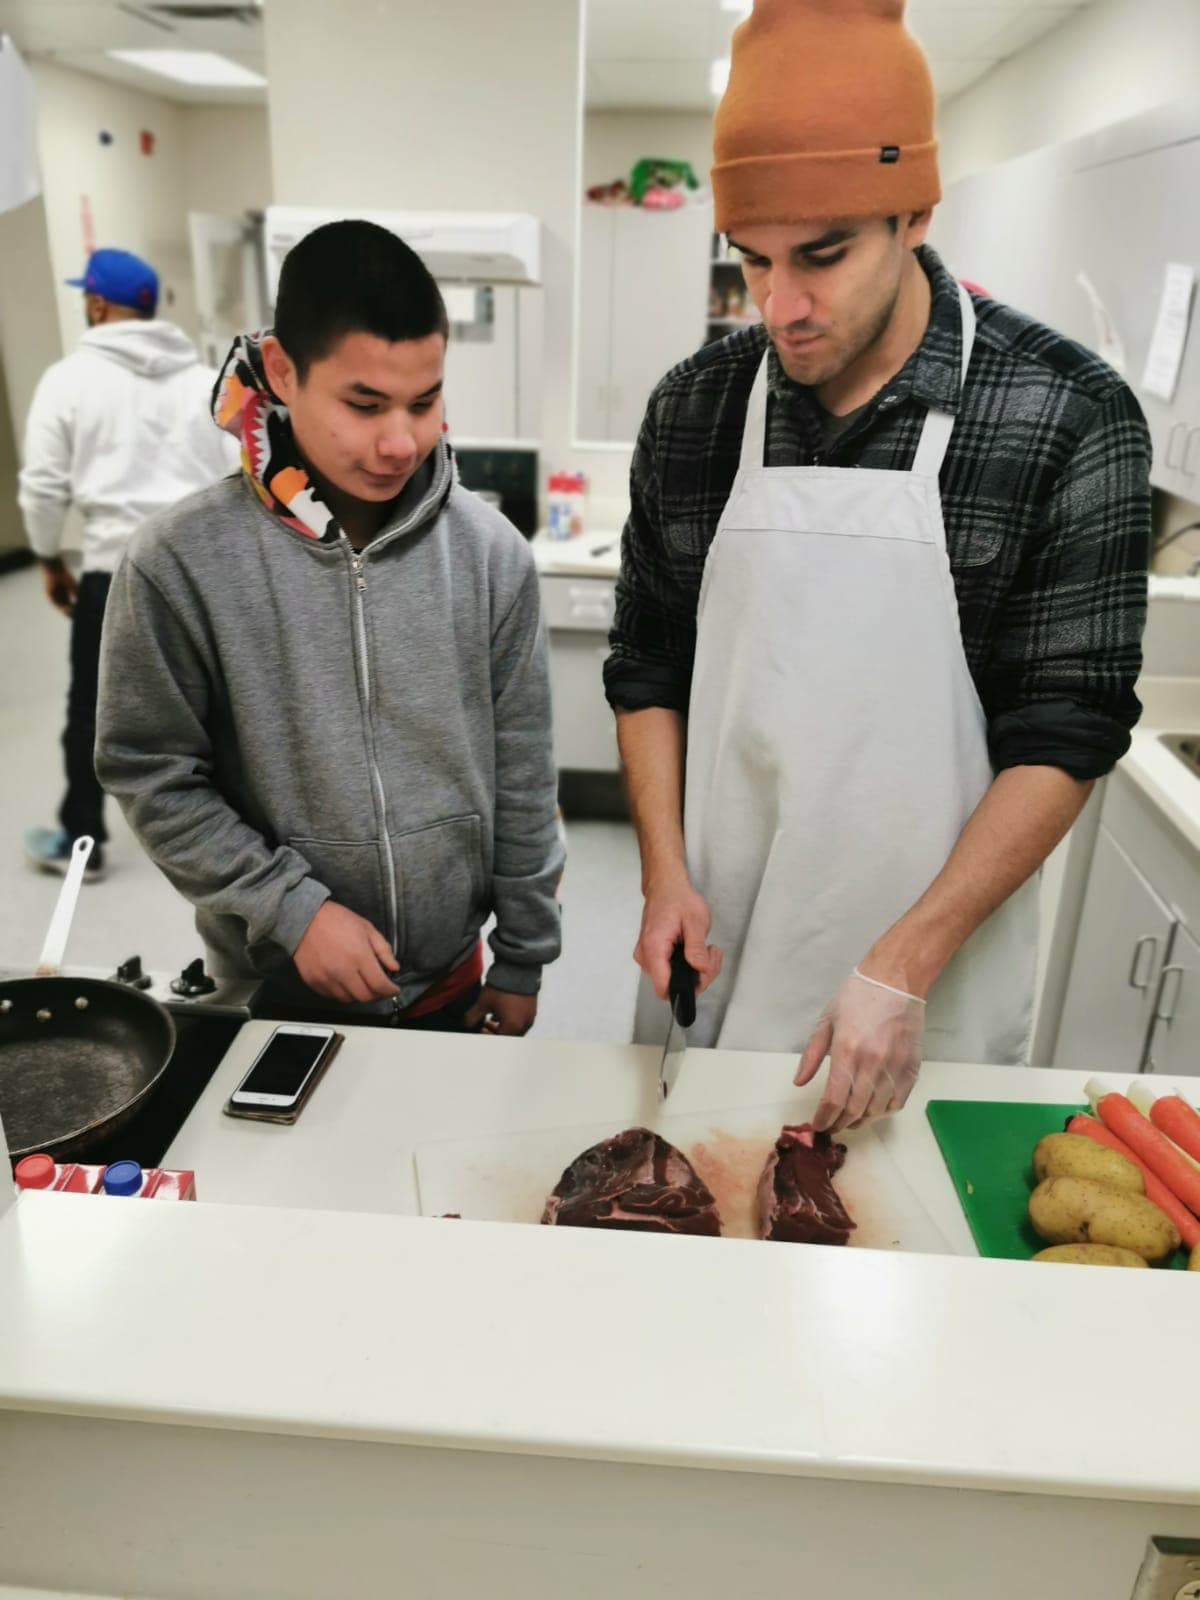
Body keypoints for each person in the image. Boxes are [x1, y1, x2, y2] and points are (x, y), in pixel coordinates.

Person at [604, 0, 1150, 1128]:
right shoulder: (695, 410)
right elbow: (648, 663)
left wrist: (903, 961)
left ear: (915, 211)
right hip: (715, 957)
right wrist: (663, 871)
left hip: (923, 994)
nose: (782, 307)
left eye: (823, 254)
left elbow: (1070, 729)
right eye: (751, 260)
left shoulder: (1064, 414)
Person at [95, 220, 562, 1033]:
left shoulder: (491, 557)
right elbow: (152, 773)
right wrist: (292, 908)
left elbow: (523, 772)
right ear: (282, 370)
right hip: (271, 996)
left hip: (456, 983)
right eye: (364, 403)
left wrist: (523, 958)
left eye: (425, 402)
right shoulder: (178, 563)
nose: (399, 441)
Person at [19, 246, 237, 881]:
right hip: (202, 571)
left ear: (94, 304)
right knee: (220, 709)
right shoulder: (205, 382)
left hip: (112, 570)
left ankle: (80, 839)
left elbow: (42, 488)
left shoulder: (67, 380)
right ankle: (234, 840)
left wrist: (47, 557)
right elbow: (240, 476)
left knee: (93, 709)